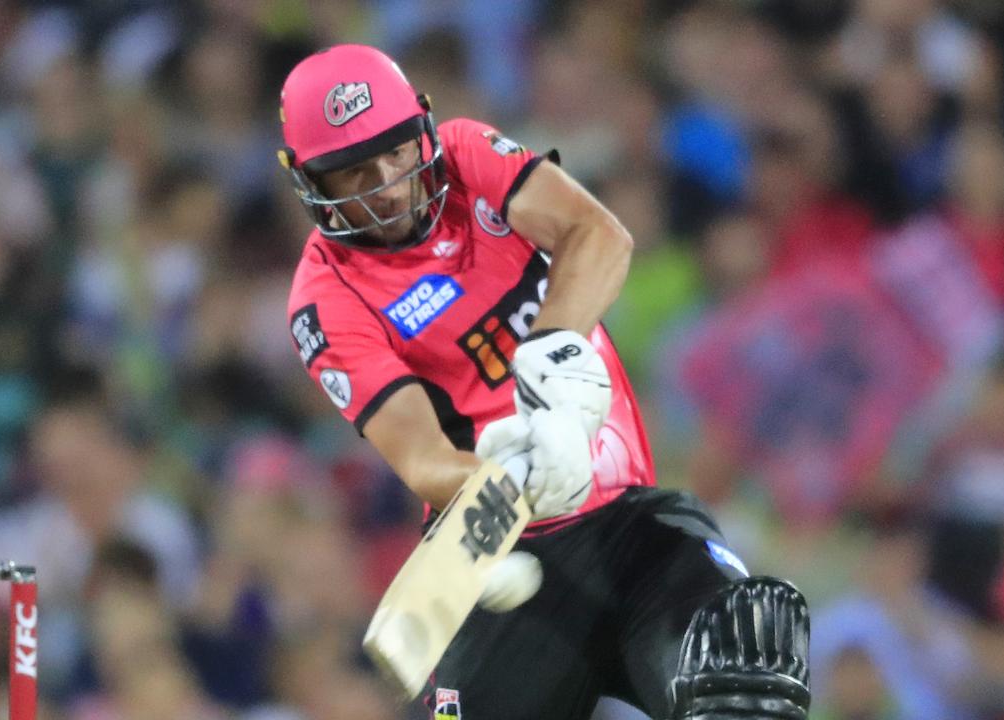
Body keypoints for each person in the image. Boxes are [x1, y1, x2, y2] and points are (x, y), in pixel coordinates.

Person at [279, 44, 810, 720]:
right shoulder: (324, 299)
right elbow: (419, 455)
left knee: (743, 678)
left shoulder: (467, 152)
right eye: (354, 171)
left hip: (630, 524)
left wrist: (549, 369)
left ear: (423, 128)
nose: (386, 182)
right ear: (309, 180)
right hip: (502, 561)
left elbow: (597, 235)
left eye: (396, 151)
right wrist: (497, 482)